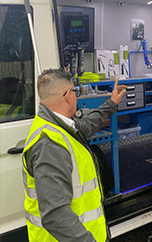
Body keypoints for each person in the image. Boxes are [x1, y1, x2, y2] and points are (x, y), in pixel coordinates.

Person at [22, 69, 126, 242]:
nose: (76, 97)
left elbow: (85, 125)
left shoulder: (58, 126)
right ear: (68, 95)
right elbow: (55, 214)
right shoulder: (49, 145)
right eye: (75, 92)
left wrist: (112, 103)